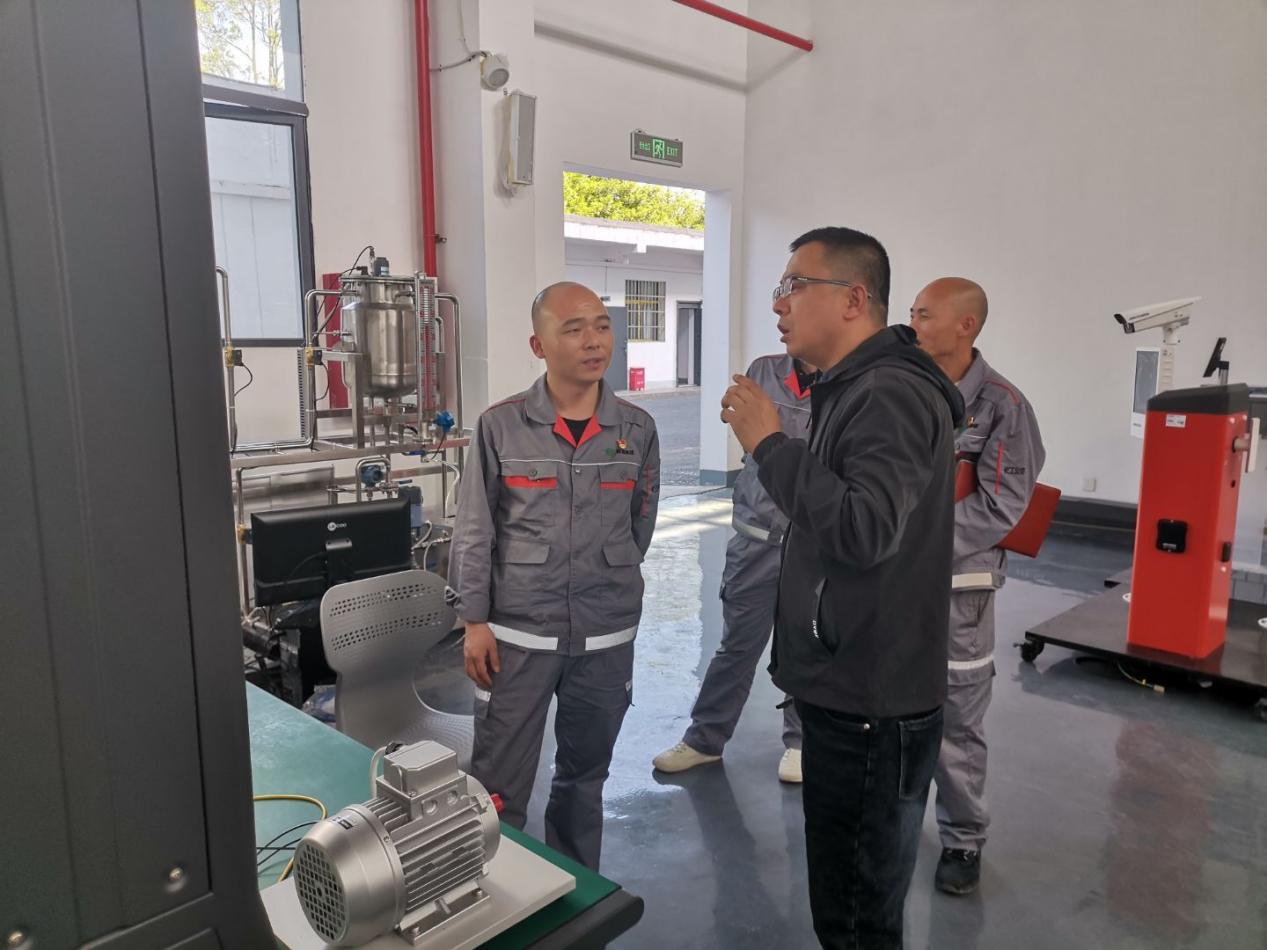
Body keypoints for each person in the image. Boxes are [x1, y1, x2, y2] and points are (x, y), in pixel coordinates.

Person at [720, 227, 964, 950]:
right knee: (849, 903)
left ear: (854, 299)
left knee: (855, 918)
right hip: (852, 686)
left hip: (870, 704)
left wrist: (769, 444)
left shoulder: (886, 393)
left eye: (794, 286)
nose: (779, 304)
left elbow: (862, 530)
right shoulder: (856, 388)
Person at [449, 281, 661, 870]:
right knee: (497, 787)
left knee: (584, 778)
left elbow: (640, 524)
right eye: (573, 329)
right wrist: (473, 621)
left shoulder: (637, 429)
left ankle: (576, 887)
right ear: (538, 345)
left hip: (605, 635)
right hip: (518, 638)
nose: (594, 341)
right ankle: (494, 890)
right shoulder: (501, 426)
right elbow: (475, 528)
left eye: (601, 326)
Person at [908, 277, 1045, 895]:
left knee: (957, 719)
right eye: (912, 313)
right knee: (888, 705)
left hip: (957, 590)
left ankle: (963, 839)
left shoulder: (1001, 406)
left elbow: (1003, 504)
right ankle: (894, 820)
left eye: (925, 314)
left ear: (966, 326)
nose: (913, 324)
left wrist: (914, 544)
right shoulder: (906, 388)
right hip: (891, 583)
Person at [652, 354, 815, 782]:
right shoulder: (764, 372)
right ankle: (704, 739)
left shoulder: (848, 381)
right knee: (736, 645)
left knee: (805, 645)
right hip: (755, 538)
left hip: (812, 548)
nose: (783, 321)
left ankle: (801, 742)